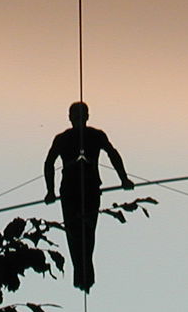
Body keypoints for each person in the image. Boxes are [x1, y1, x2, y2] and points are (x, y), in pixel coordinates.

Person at [44, 101, 133, 291]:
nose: (78, 119)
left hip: (89, 189)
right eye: (75, 115)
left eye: (80, 115)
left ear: (86, 117)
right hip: (70, 191)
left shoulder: (96, 135)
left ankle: (84, 274)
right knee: (74, 233)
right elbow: (48, 163)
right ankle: (81, 273)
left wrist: (124, 178)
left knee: (87, 232)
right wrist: (49, 191)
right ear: (70, 118)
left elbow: (113, 154)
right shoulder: (63, 138)